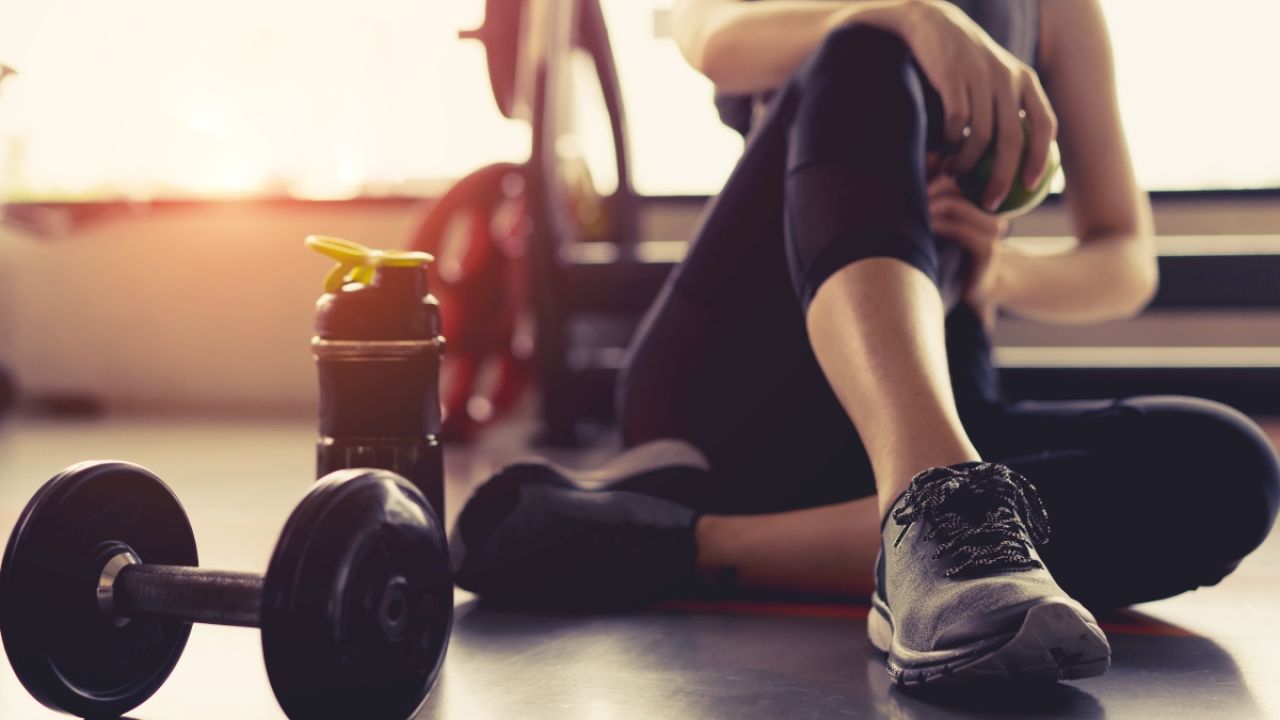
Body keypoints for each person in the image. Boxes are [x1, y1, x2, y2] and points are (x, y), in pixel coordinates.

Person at [449, 0, 1280, 686]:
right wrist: (913, 17)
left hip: (945, 391)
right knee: (865, 48)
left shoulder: (1060, 11)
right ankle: (936, 499)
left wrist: (1003, 275)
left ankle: (684, 540)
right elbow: (714, 44)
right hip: (737, 390)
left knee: (1228, 467)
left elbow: (1124, 258)